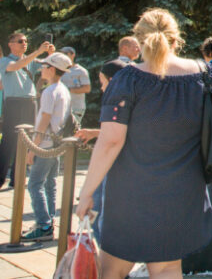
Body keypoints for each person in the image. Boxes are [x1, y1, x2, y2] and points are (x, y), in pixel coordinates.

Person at [75, 9, 212, 279]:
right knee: (167, 268)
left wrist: (87, 192)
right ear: (177, 40)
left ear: (139, 41)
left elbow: (110, 142)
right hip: (183, 191)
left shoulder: (127, 79)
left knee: (113, 269)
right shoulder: (208, 75)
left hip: (131, 193)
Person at [75, 59, 128, 242]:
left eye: (102, 82)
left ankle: (110, 267)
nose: (101, 88)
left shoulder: (116, 100)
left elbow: (112, 140)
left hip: (114, 166)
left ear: (112, 80)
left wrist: (85, 193)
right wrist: (94, 132)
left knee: (99, 215)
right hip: (125, 166)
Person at [22, 52, 73, 241]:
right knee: (49, 184)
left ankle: (44, 224)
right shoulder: (63, 90)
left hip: (46, 144)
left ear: (51, 69)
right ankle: (48, 221)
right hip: (56, 143)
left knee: (35, 184)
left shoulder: (50, 91)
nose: (42, 69)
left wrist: (32, 148)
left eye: (44, 66)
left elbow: (44, 120)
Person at [0, 33, 53, 188]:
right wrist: (37, 51)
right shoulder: (4, 61)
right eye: (20, 41)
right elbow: (16, 66)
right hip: (14, 103)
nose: (24, 44)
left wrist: (51, 53)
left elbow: (49, 66)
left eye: (26, 41)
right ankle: (1, 178)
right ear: (11, 44)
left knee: (26, 141)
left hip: (30, 102)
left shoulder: (31, 60)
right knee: (9, 141)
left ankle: (18, 178)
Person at [59, 46, 91, 126]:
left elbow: (87, 88)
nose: (63, 56)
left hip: (76, 107)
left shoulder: (81, 71)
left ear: (73, 55)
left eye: (65, 53)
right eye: (61, 54)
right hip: (61, 107)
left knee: (73, 130)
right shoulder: (59, 70)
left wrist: (68, 90)